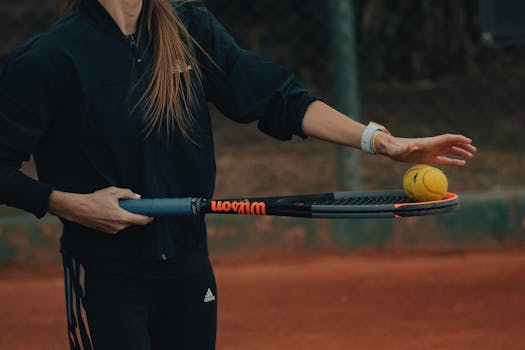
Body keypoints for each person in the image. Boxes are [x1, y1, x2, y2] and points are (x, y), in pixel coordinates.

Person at [0, 0, 477, 349]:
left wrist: (382, 142)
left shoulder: (191, 30)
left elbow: (278, 98)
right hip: (106, 275)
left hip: (188, 267)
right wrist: (68, 204)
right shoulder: (48, 59)